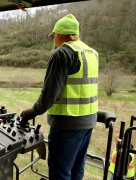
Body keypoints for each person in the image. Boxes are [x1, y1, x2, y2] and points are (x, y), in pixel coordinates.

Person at [20, 14, 99, 180]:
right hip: (88, 121)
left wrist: (31, 112)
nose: (53, 39)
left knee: (60, 173)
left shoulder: (62, 54)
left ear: (61, 34)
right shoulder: (92, 53)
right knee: (77, 169)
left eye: (54, 35)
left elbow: (49, 94)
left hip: (67, 125)